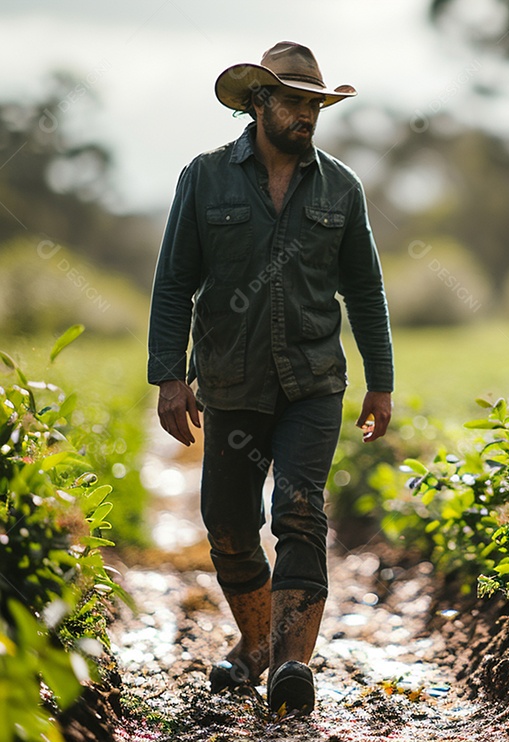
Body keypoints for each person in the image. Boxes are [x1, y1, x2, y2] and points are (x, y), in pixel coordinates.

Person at [147, 41, 393, 717]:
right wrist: (169, 376)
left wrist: (381, 381)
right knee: (227, 523)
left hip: (314, 381)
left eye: (316, 104)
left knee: (300, 509)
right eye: (295, 102)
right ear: (259, 103)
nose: (308, 115)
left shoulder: (340, 187)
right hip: (230, 381)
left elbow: (365, 293)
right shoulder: (204, 179)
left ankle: (290, 664)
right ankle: (257, 644)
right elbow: (174, 285)